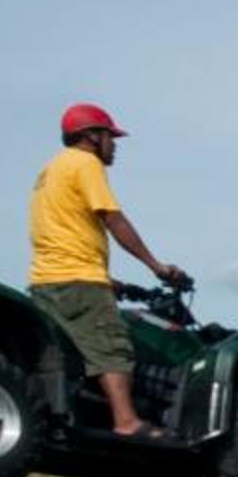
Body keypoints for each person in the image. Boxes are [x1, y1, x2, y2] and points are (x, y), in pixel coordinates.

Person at [29, 103, 188, 438]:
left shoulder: (49, 171)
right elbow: (112, 218)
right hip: (79, 280)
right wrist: (156, 266)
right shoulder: (86, 163)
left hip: (46, 281)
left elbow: (63, 231)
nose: (114, 144)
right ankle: (127, 422)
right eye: (110, 136)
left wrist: (110, 281)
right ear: (91, 136)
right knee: (113, 349)